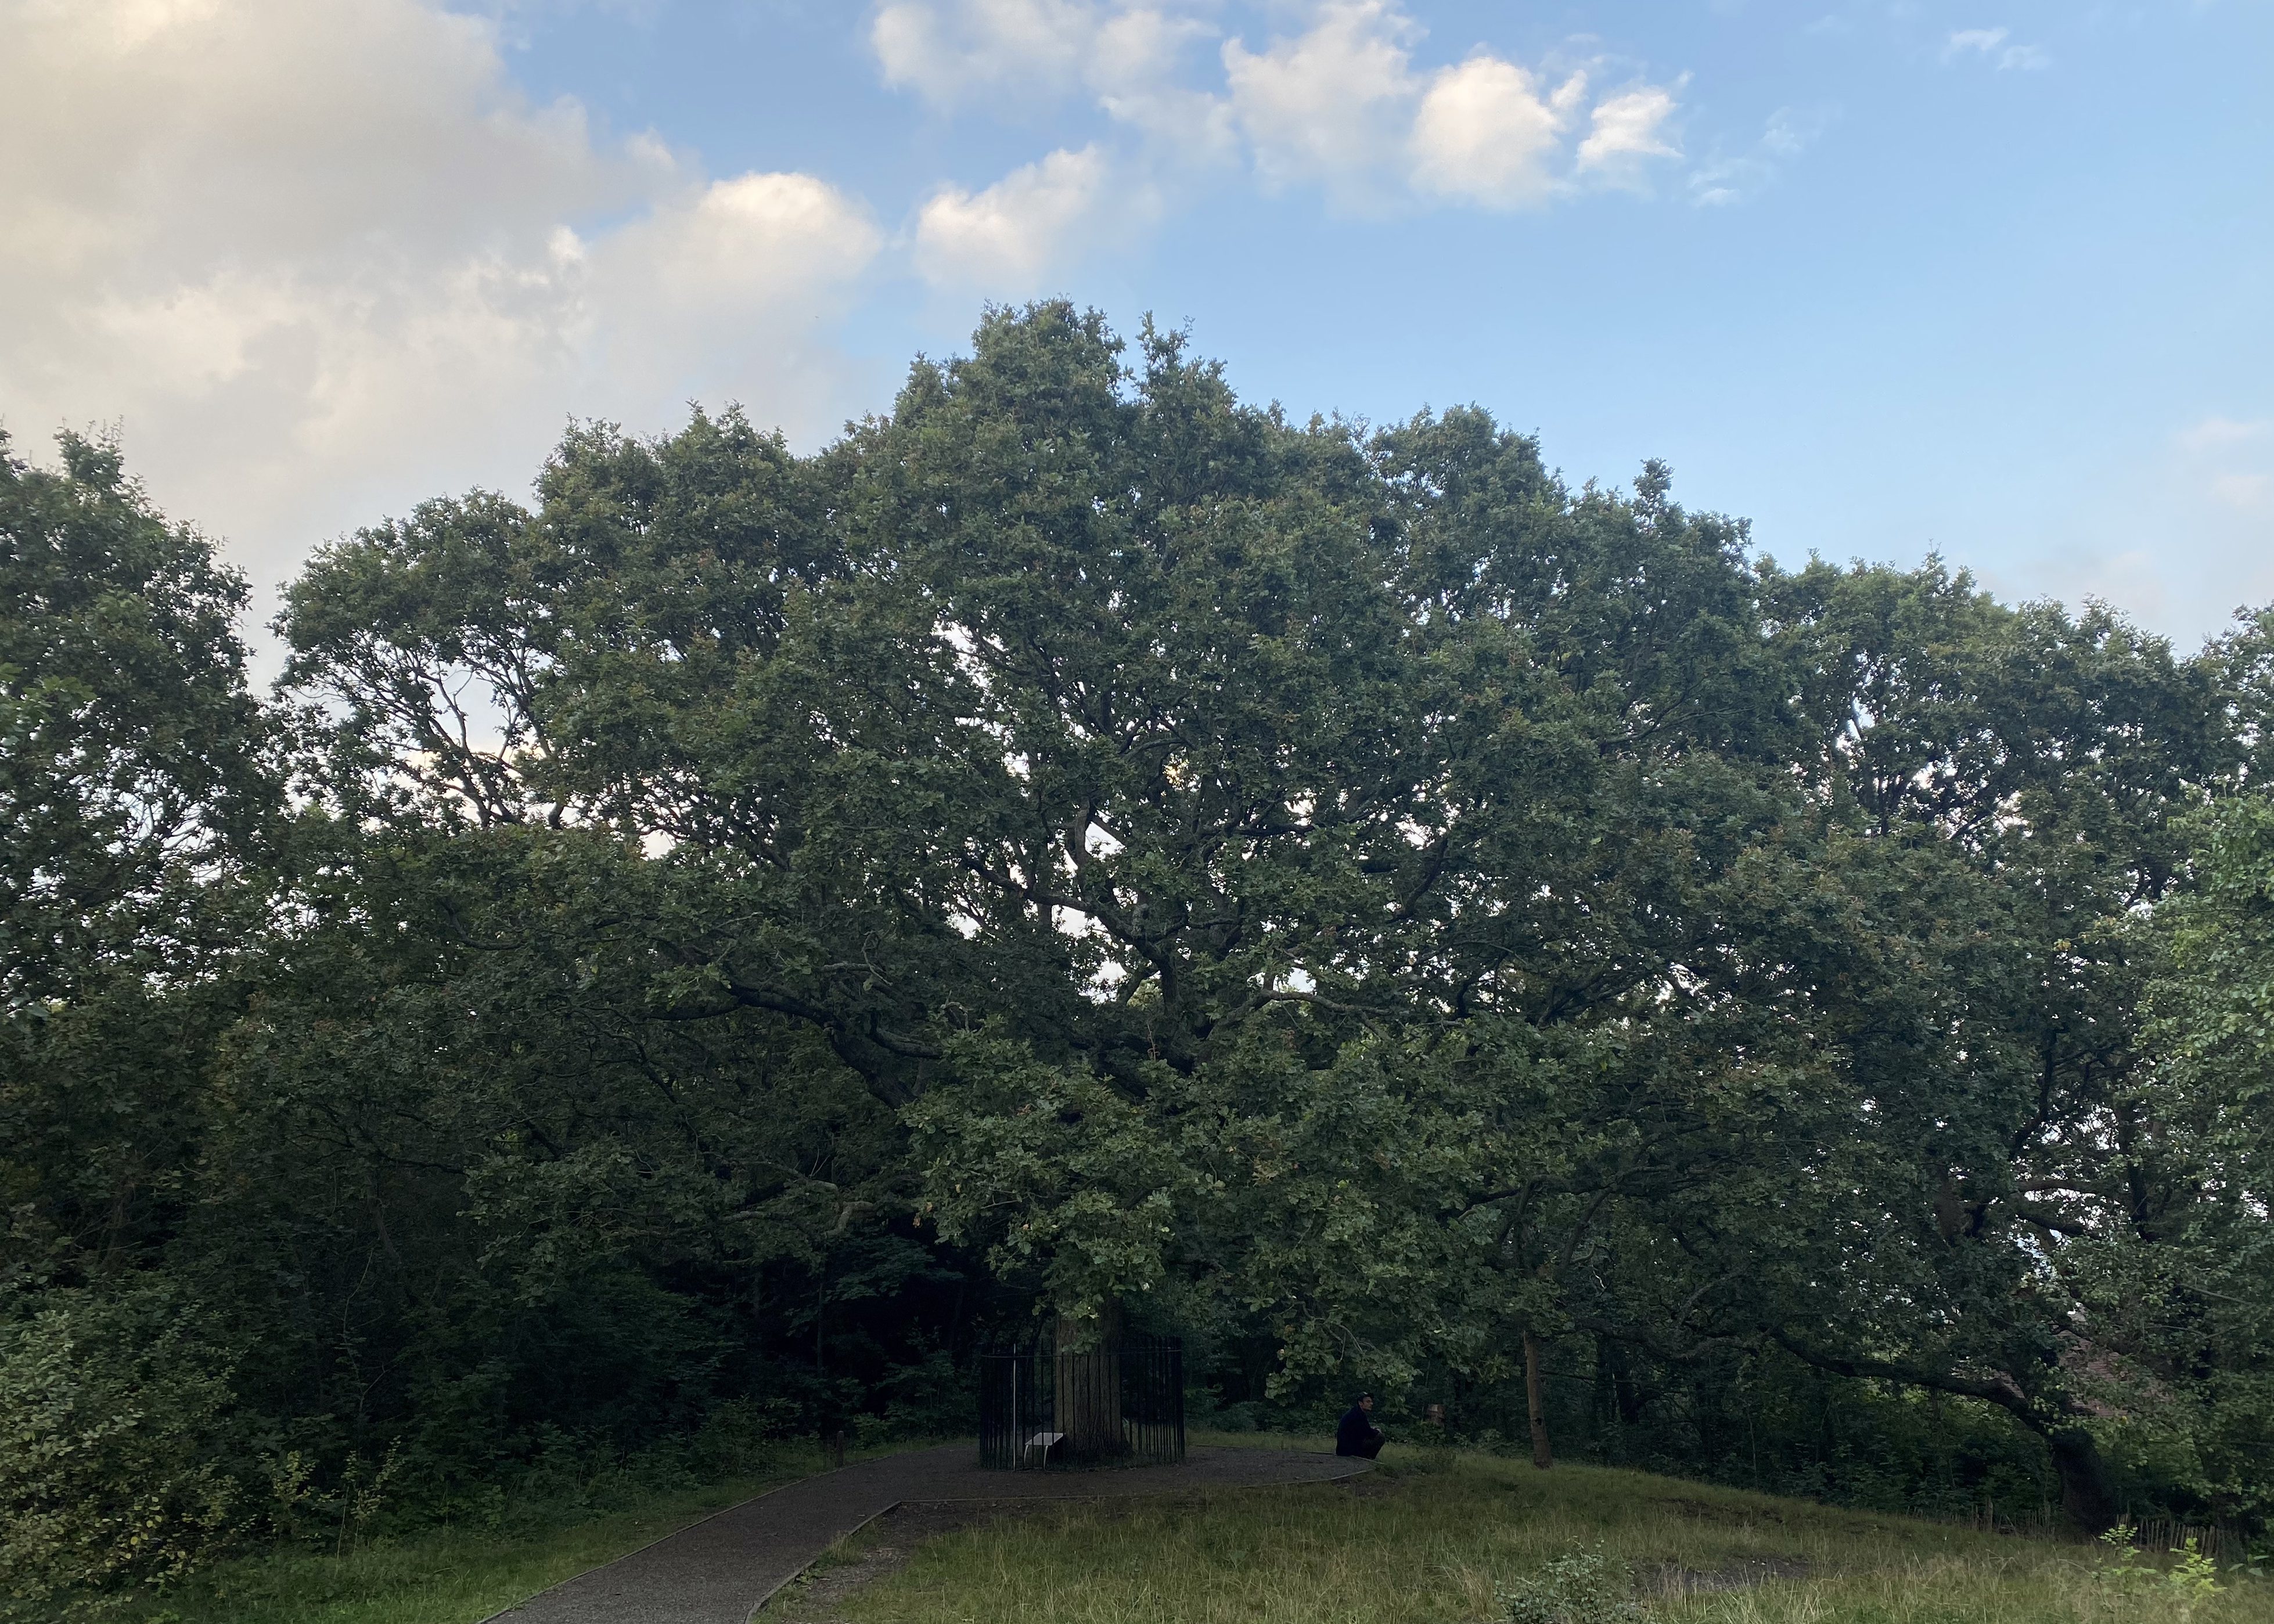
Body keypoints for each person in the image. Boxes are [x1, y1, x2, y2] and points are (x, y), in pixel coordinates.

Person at [1335, 1391, 1385, 1459]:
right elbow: (1369, 1433)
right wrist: (1377, 1431)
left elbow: (1363, 1430)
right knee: (1380, 1437)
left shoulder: (1355, 1412)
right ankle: (1368, 1458)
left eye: (1371, 1402)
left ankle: (1365, 1457)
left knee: (1375, 1432)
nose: (1371, 1404)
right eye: (1368, 1402)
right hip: (1349, 1451)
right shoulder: (1358, 1415)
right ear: (1360, 1403)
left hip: (1343, 1449)